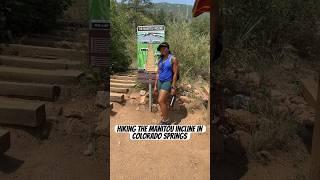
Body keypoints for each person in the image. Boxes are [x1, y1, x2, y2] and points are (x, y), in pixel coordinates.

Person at [154, 42, 179, 125]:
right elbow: (158, 73)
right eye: (161, 49)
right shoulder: (160, 60)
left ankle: (166, 120)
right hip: (159, 82)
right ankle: (165, 115)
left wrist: (173, 87)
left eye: (164, 48)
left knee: (160, 100)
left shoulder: (173, 59)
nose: (162, 50)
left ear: (168, 48)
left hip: (167, 82)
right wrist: (155, 85)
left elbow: (175, 73)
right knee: (163, 101)